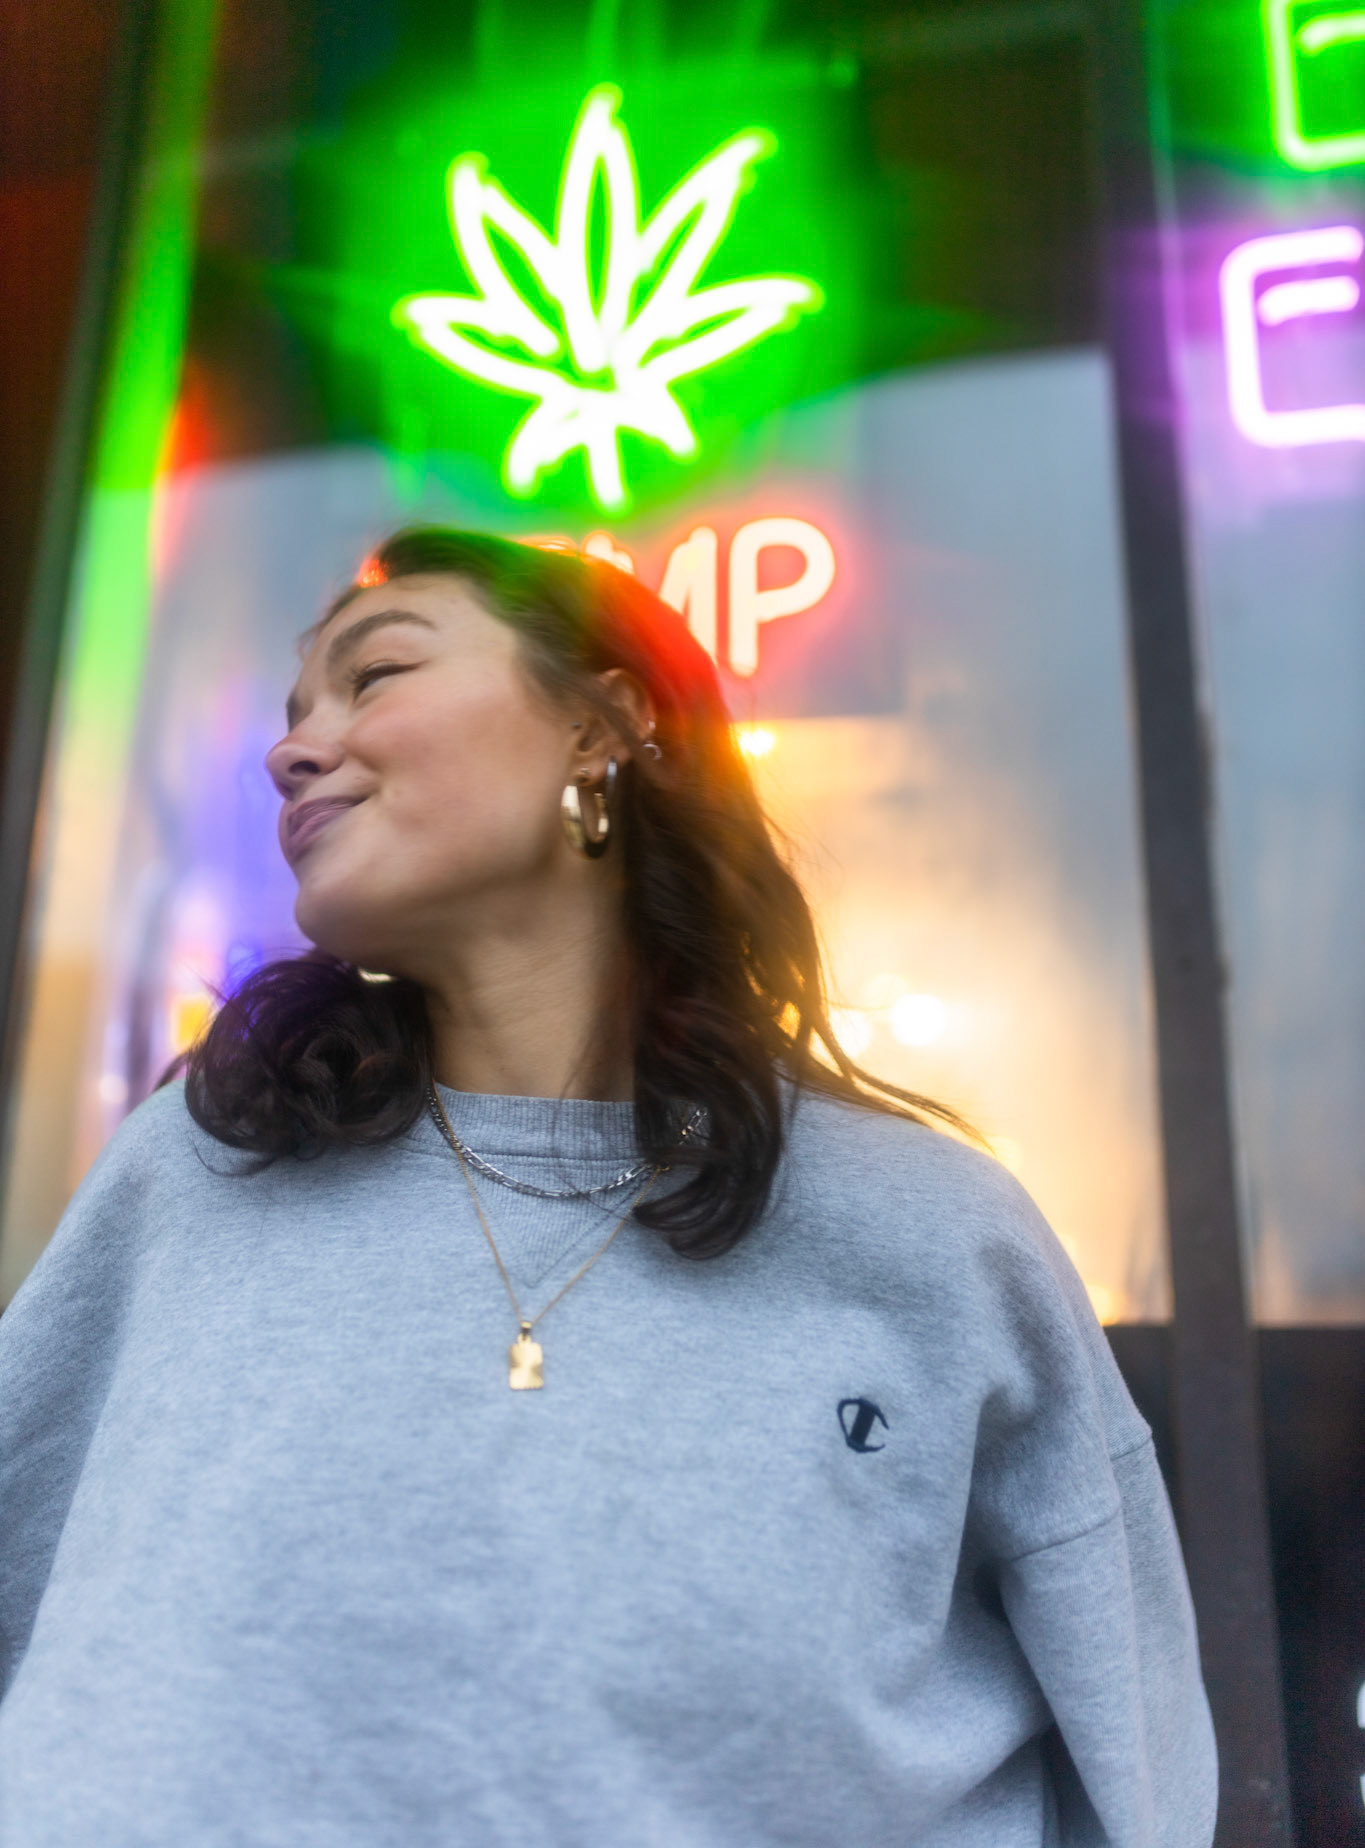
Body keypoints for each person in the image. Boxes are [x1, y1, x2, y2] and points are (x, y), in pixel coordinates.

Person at [0, 526, 1216, 1846]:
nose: (293, 748)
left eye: (375, 675)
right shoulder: (196, 1169)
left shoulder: (928, 1231)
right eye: (294, 714)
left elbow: (1135, 1765)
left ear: (599, 727)